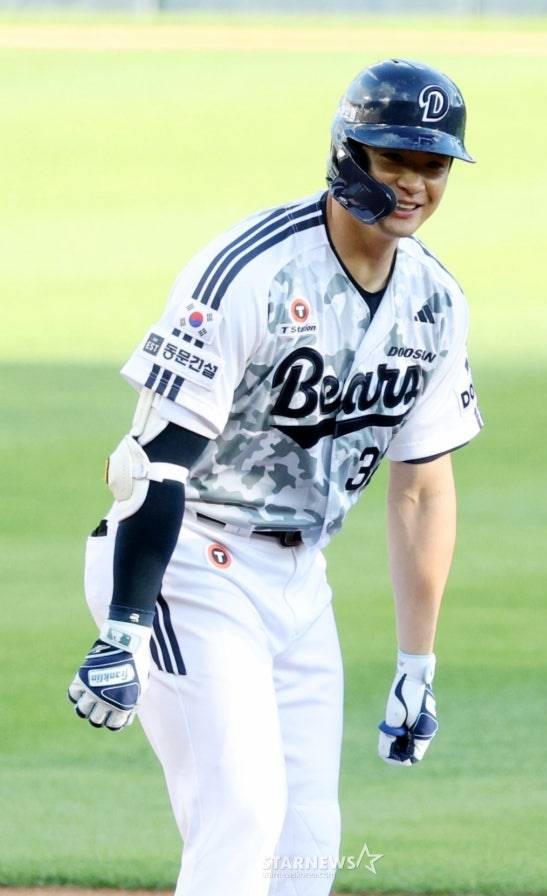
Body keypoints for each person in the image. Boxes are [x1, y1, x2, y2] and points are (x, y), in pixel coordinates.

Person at [68, 58, 483, 896]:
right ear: (346, 152)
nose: (413, 183)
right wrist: (124, 629)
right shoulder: (253, 271)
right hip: (187, 563)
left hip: (300, 585)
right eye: (393, 159)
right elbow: (156, 461)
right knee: (243, 816)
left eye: (433, 164)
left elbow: (422, 489)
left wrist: (417, 664)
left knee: (306, 845)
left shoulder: (435, 303)